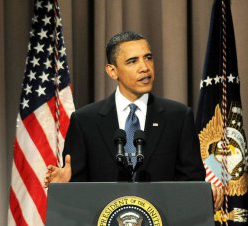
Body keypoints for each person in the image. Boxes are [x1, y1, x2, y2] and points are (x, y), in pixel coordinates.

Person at [44, 31, 223, 209]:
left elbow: (191, 181)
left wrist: (202, 192)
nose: (144, 67)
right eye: (132, 61)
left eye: (148, 58)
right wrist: (63, 188)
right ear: (112, 71)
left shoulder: (178, 116)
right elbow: (78, 193)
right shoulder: (85, 121)